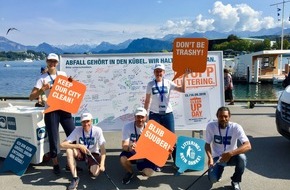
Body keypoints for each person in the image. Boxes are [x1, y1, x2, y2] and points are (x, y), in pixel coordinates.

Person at [29, 53, 76, 174]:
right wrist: (43, 89)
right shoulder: (42, 78)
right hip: (51, 111)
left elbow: (68, 90)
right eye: (50, 61)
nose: (52, 63)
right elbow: (31, 97)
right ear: (46, 61)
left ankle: (69, 163)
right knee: (53, 139)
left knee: (73, 136)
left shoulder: (63, 74)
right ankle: (55, 164)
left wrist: (71, 83)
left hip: (64, 109)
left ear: (57, 63)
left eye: (54, 61)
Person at [144, 63, 189, 163]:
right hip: (154, 114)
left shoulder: (168, 83)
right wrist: (145, 115)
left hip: (168, 114)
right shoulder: (150, 84)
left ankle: (177, 162)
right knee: (155, 139)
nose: (158, 73)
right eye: (157, 71)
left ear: (164, 72)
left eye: (160, 71)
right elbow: (147, 101)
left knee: (171, 139)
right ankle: (156, 161)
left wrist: (184, 77)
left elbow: (182, 90)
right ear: (154, 72)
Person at [205, 106, 251, 190]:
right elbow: (207, 144)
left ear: (229, 116)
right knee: (213, 179)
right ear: (217, 116)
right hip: (217, 158)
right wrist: (210, 158)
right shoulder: (210, 126)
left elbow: (248, 145)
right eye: (221, 116)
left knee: (242, 158)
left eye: (226, 116)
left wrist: (230, 153)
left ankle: (235, 181)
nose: (223, 119)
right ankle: (220, 170)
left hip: (232, 156)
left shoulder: (236, 127)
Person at [60, 112, 106, 190]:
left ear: (91, 121)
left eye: (87, 121)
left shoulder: (98, 130)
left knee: (95, 174)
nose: (86, 124)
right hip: (81, 152)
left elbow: (103, 149)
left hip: (93, 153)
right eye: (83, 122)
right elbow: (62, 144)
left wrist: (102, 164)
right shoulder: (77, 130)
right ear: (81, 122)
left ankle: (90, 166)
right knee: (69, 150)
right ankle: (75, 178)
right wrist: (78, 146)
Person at [120, 107, 156, 185]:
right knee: (123, 158)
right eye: (138, 117)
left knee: (149, 173)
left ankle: (144, 168)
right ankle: (130, 172)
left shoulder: (152, 128)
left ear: (146, 117)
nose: (140, 119)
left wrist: (167, 150)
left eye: (142, 117)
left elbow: (158, 146)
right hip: (133, 152)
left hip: (145, 154)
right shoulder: (127, 127)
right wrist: (129, 147)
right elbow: (124, 145)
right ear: (135, 117)